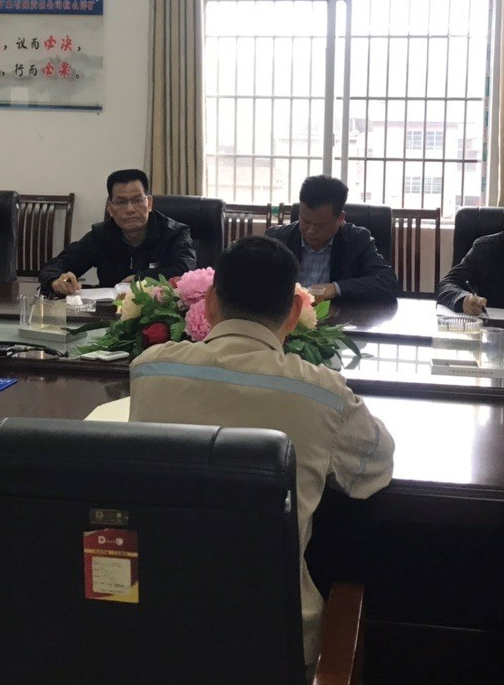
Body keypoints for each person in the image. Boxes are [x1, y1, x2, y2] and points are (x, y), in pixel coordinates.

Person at [129, 235, 394, 677]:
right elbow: (373, 471)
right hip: (275, 643)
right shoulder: (322, 392)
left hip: (155, 634)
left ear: (210, 303)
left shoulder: (151, 369)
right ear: (295, 312)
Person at [39, 168, 195, 295]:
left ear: (149, 203)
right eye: (121, 202)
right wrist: (56, 280)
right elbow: (55, 265)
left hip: (159, 314)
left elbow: (185, 271)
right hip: (109, 314)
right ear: (110, 209)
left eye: (137, 200)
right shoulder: (101, 235)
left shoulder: (174, 233)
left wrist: (141, 279)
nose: (130, 209)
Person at [265, 175, 399, 302]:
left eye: (320, 225)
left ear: (340, 218)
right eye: (305, 221)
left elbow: (388, 282)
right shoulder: (277, 239)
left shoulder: (357, 240)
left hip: (339, 315)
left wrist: (335, 288)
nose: (311, 230)